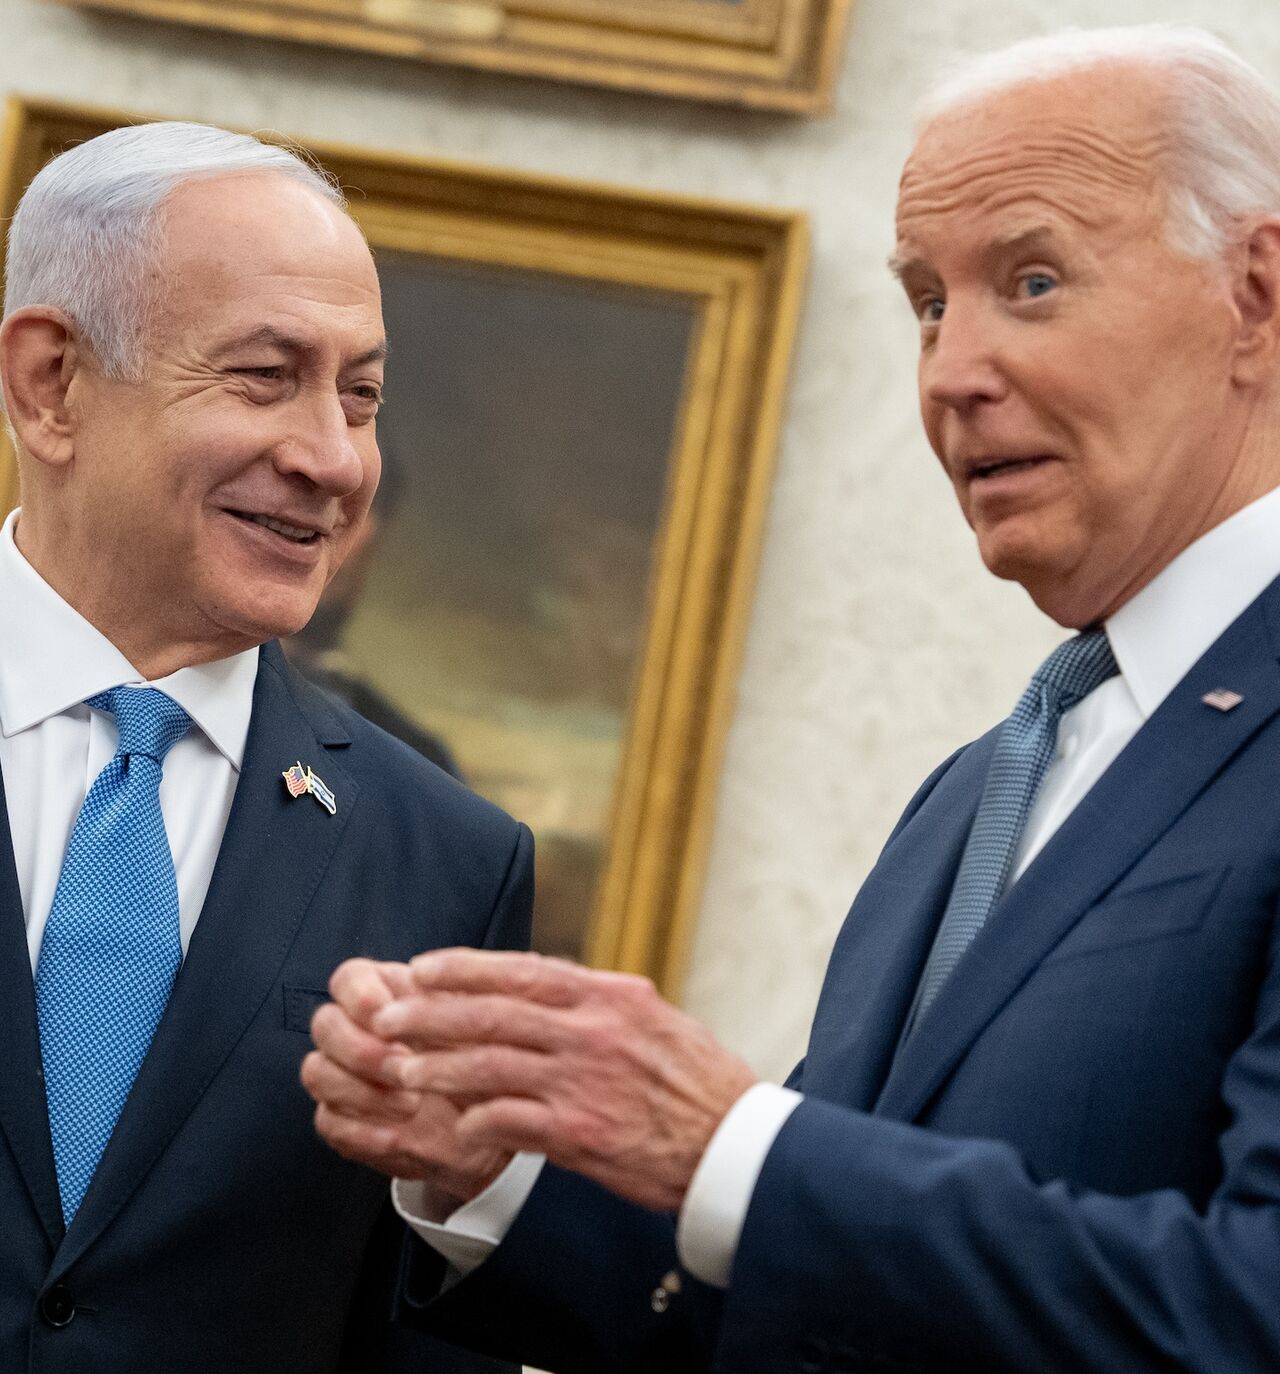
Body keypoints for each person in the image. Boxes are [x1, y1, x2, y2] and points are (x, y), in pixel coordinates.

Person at [305, 23, 1280, 1372]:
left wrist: (731, 1143)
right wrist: (507, 1172)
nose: (950, 374)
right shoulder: (982, 784)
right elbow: (809, 1305)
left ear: (1258, 293)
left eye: (1034, 280)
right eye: (929, 303)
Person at [0, 121, 530, 1373]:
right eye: (263, 376)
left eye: (360, 395)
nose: (332, 460)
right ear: (51, 384)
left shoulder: (446, 862)